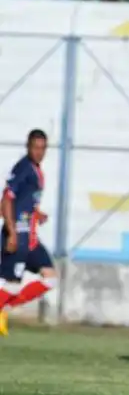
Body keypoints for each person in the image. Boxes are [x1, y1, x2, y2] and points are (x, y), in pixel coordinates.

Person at [0, 130, 56, 336]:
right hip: (18, 236)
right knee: (12, 285)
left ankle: (4, 308)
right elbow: (6, 200)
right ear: (28, 147)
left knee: (50, 278)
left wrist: (36, 214)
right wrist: (12, 233)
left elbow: (23, 201)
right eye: (35, 148)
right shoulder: (23, 168)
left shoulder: (35, 170)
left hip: (30, 238)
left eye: (42, 148)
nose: (39, 152)